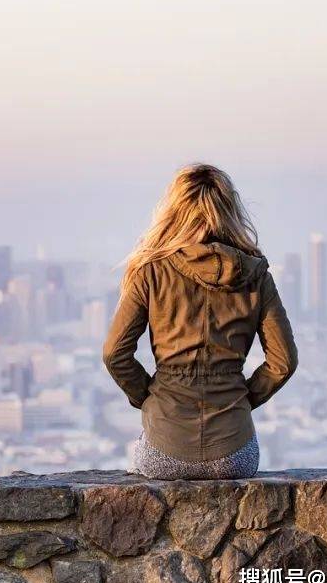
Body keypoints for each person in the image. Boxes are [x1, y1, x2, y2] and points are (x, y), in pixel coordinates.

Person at [102, 163, 297, 479]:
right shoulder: (256, 275)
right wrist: (241, 399)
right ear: (230, 210)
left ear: (174, 211)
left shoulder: (150, 272)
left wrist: (149, 397)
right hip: (235, 453)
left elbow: (114, 354)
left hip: (165, 445)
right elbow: (283, 362)